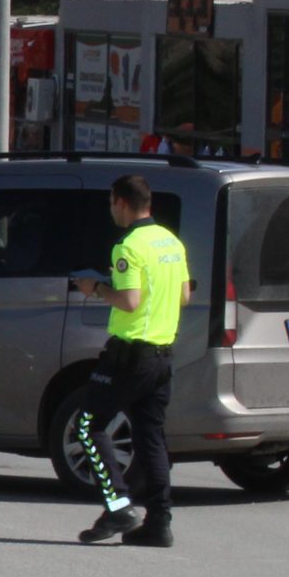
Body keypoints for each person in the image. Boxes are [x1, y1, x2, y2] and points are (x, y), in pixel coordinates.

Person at [72, 173, 192, 547]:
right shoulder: (171, 242)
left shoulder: (128, 247)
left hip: (130, 356)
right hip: (162, 355)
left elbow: (129, 301)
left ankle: (118, 505)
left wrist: (97, 288)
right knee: (151, 437)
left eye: (112, 203)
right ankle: (159, 522)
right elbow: (184, 295)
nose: (112, 210)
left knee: (88, 426)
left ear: (121, 202)